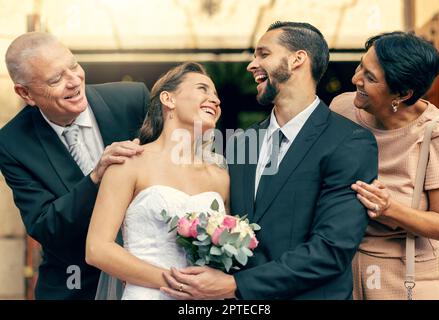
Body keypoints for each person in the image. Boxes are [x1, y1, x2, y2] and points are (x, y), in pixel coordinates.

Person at [160, 21, 378, 300]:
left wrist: (236, 286)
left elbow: (331, 250)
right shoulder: (241, 142)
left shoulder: (349, 141)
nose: (252, 65)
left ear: (298, 59)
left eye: (263, 54)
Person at [0, 32, 149, 299]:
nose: (74, 81)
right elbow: (45, 226)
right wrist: (95, 178)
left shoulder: (134, 99)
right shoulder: (11, 142)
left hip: (148, 276)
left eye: (74, 65)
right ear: (26, 93)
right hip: (74, 285)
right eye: (56, 79)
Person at [85, 62, 228, 300]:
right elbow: (97, 249)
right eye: (203, 89)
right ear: (168, 99)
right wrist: (178, 283)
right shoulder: (128, 163)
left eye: (216, 95)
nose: (215, 100)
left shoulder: (220, 177)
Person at [330, 31, 439, 300]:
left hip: (404, 281)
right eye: (361, 65)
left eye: (370, 77)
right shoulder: (342, 109)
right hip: (342, 275)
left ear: (402, 94)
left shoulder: (437, 133)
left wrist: (390, 209)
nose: (355, 79)